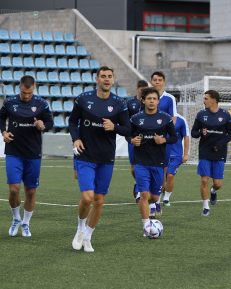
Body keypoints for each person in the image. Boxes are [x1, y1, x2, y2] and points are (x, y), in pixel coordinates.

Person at [69, 66, 131, 252]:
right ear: (97, 79)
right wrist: (76, 138)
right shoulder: (83, 99)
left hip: (106, 157)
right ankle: (80, 229)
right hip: (85, 155)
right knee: (87, 198)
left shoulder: (119, 104)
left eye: (109, 77)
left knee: (99, 201)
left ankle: (88, 236)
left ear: (113, 80)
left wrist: (115, 127)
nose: (106, 79)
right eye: (103, 76)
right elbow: (72, 121)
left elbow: (127, 129)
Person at [0, 75, 53, 237]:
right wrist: (4, 132)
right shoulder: (10, 102)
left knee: (30, 192)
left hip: (33, 153)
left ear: (34, 89)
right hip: (14, 152)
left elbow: (49, 123)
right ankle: (16, 218)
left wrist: (42, 125)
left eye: (29, 93)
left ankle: (26, 223)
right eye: (23, 93)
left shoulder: (41, 104)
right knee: (14, 190)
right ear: (19, 88)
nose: (26, 96)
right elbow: (1, 117)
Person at [127, 87, 177, 230]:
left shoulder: (165, 118)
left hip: (158, 161)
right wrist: (132, 140)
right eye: (149, 98)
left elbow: (174, 137)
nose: (152, 101)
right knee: (144, 194)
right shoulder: (136, 118)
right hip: (141, 161)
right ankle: (146, 226)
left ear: (158, 101)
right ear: (143, 101)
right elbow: (128, 135)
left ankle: (152, 205)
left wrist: (164, 140)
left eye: (154, 99)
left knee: (154, 197)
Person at [190, 90, 231, 217]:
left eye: (206, 99)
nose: (204, 101)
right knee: (204, 180)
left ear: (214, 100)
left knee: (218, 183)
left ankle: (213, 191)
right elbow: (193, 132)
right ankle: (205, 207)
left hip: (219, 151)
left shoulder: (226, 115)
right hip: (205, 151)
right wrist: (200, 133)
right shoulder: (201, 114)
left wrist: (220, 144)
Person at [151, 71, 177, 215]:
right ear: (151, 81)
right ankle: (147, 199)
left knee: (162, 174)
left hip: (162, 142)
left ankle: (157, 201)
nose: (157, 82)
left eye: (160, 80)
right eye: (155, 80)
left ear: (164, 82)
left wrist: (163, 134)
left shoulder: (170, 99)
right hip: (147, 141)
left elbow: (173, 119)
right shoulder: (147, 97)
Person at [126, 79, 148, 203]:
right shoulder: (130, 102)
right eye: (141, 89)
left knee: (143, 165)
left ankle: (140, 191)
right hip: (134, 138)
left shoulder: (149, 103)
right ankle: (137, 182)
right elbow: (125, 119)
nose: (143, 91)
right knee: (134, 168)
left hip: (146, 139)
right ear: (137, 89)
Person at [161, 113, 190, 206]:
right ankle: (156, 197)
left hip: (176, 154)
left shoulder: (181, 120)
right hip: (162, 152)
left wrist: (185, 154)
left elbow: (186, 137)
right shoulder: (160, 116)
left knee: (170, 175)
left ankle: (166, 198)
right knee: (161, 176)